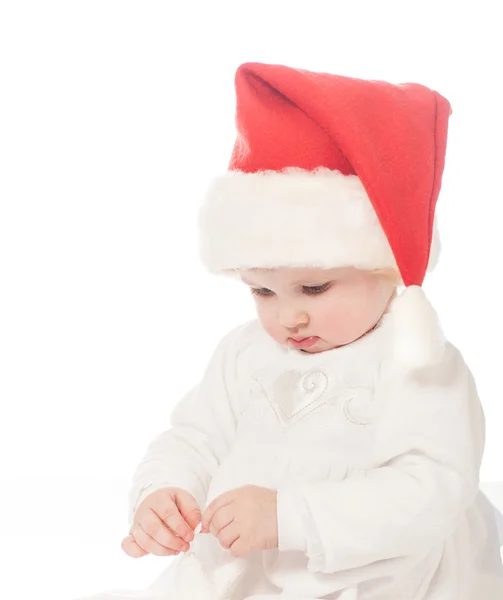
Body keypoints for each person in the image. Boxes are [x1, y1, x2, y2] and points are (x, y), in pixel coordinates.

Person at [77, 63, 503, 600]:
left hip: (376, 577)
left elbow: (432, 489)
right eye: (262, 292)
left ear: (387, 267)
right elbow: (195, 438)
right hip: (243, 570)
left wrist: (291, 517)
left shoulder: (414, 359)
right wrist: (166, 492)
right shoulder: (245, 353)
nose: (287, 317)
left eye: (316, 289)